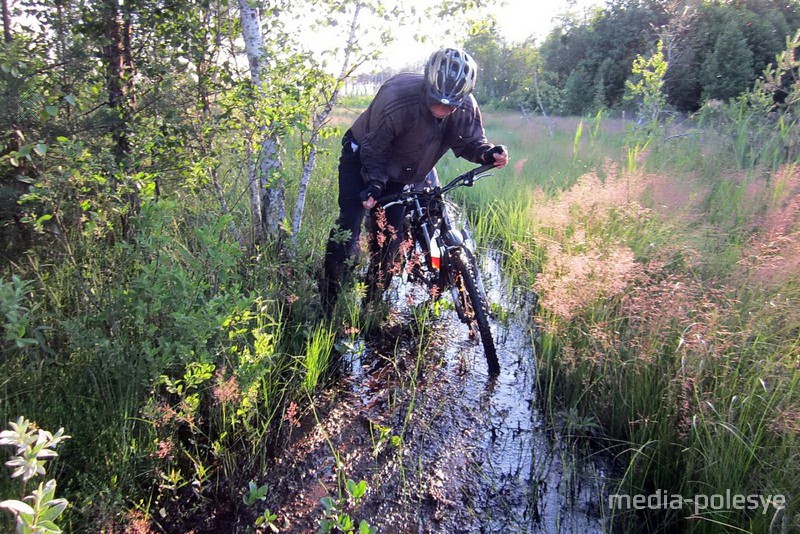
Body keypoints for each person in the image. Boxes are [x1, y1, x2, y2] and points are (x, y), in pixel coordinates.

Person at [320, 46, 509, 315]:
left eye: (450, 105)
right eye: (436, 101)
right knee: (349, 223)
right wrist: (374, 185)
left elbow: (470, 142)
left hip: (404, 170)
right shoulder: (397, 97)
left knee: (389, 240)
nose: (442, 109)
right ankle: (329, 299)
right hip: (362, 155)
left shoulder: (466, 107)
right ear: (427, 85)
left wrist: (486, 153)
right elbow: (374, 148)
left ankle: (371, 303)